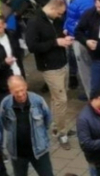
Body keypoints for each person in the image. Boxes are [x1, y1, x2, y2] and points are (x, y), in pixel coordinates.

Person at [0, 76, 59, 176]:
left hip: (39, 150)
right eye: (16, 92)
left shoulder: (37, 101)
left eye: (22, 90)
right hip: (17, 152)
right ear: (10, 91)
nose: (20, 94)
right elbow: (4, 123)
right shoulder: (6, 104)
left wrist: (41, 137)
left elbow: (47, 119)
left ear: (26, 86)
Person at [25, 0, 74, 148]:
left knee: (57, 99)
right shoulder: (35, 22)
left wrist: (63, 37)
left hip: (62, 63)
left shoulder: (54, 20)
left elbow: (56, 36)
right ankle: (62, 133)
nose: (60, 16)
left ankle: (56, 126)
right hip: (50, 67)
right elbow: (32, 46)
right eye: (59, 13)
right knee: (61, 100)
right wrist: (55, 43)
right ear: (53, 7)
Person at [0, 16, 25, 111]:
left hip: (18, 75)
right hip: (4, 83)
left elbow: (18, 52)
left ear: (4, 25)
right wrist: (4, 63)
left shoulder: (12, 35)